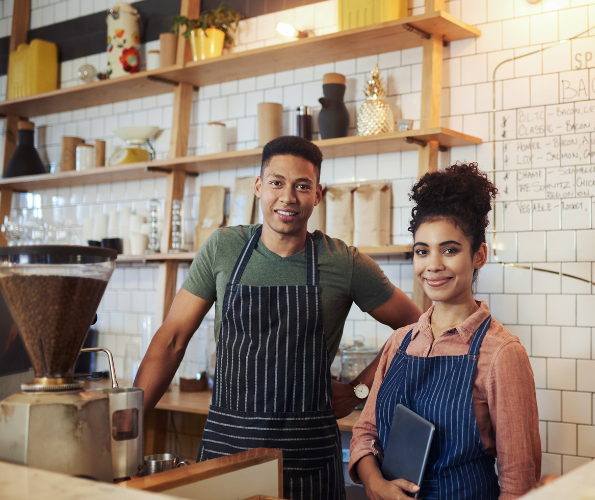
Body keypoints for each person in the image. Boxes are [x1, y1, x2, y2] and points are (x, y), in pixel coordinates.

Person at [134, 136, 421, 500]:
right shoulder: (224, 248)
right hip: (226, 454)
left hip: (308, 463)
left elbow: (417, 328)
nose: (288, 197)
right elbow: (172, 338)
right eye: (276, 183)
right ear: (258, 187)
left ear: (318, 194)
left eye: (302, 185)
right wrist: (127, 425)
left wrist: (358, 391)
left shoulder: (342, 262)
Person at [349, 163, 541, 500]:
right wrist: (376, 486)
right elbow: (365, 433)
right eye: (422, 251)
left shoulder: (501, 353)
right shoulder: (401, 341)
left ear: (478, 255)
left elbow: (518, 483)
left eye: (449, 250)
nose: (433, 264)